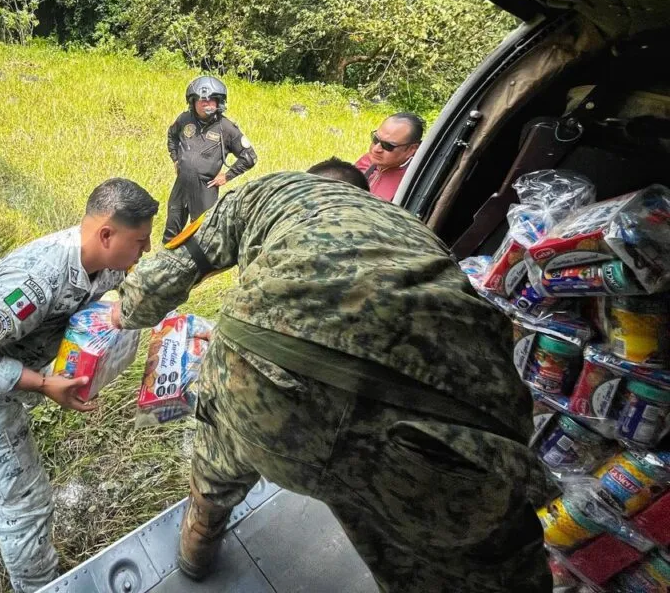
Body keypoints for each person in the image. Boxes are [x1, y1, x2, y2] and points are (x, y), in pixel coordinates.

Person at [114, 169, 549, 592]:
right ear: (369, 198)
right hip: (449, 423)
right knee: (464, 566)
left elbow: (178, 263)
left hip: (263, 370)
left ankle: (197, 544)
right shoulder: (410, 228)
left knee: (220, 449)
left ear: (311, 177)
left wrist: (125, 311)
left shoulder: (272, 191)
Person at [0, 178, 159, 593]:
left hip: (8, 385)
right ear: (106, 234)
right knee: (25, 508)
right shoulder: (34, 281)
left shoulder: (104, 265)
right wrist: (43, 383)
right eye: (140, 242)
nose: (145, 251)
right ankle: (41, 587)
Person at [163, 75, 256, 243]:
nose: (206, 104)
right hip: (181, 185)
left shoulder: (227, 128)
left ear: (219, 102)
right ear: (193, 101)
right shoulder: (184, 119)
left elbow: (249, 157)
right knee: (170, 233)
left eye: (211, 100)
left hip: (205, 189)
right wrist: (175, 159)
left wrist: (227, 176)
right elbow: (172, 135)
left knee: (202, 237)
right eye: (202, 100)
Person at [354, 112, 424, 201]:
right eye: (376, 139)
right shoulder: (368, 159)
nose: (376, 149)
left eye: (388, 146)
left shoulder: (411, 182)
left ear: (411, 149)